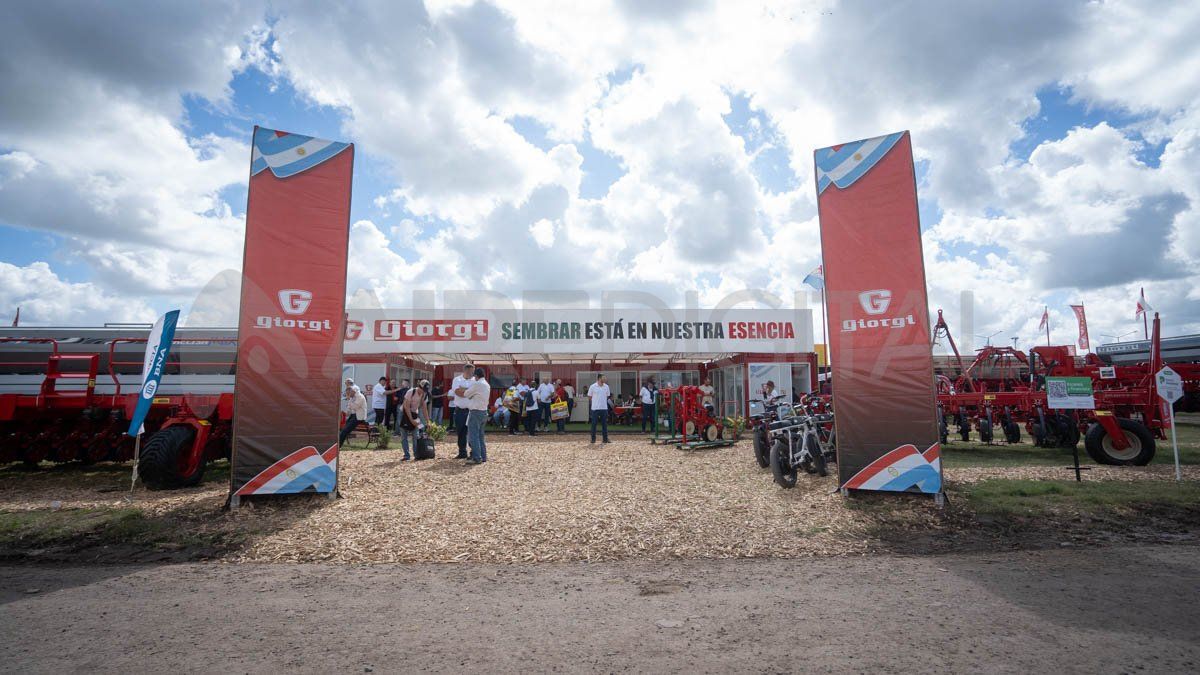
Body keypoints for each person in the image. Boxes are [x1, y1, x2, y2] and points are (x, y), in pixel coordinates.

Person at [463, 367, 491, 464]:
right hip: (484, 411)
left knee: (473, 436)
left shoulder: (477, 384)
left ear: (476, 376)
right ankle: (483, 456)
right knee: (480, 436)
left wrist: (469, 392)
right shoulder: (486, 384)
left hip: (476, 411)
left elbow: (466, 394)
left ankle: (476, 458)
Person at [398, 380, 430, 461]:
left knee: (416, 436)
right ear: (419, 387)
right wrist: (411, 420)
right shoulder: (410, 392)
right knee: (404, 436)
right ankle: (406, 456)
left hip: (415, 414)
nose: (424, 391)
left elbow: (424, 409)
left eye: (425, 390)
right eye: (423, 389)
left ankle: (416, 455)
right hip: (404, 414)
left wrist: (428, 422)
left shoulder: (424, 394)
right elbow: (406, 407)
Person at [451, 365, 473, 460]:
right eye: (470, 371)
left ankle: (473, 452)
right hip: (459, 410)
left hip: (471, 410)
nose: (472, 373)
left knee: (472, 432)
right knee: (460, 432)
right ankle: (462, 452)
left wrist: (463, 389)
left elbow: (475, 393)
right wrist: (469, 392)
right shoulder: (457, 380)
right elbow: (458, 392)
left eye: (473, 371)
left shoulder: (474, 380)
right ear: (465, 370)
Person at [587, 373, 612, 444]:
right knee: (594, 424)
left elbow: (607, 396)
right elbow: (589, 397)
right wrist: (595, 402)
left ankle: (605, 439)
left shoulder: (606, 386)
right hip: (595, 409)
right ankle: (593, 439)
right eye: (604, 378)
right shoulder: (592, 386)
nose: (605, 379)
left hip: (604, 408)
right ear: (599, 378)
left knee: (604, 424)